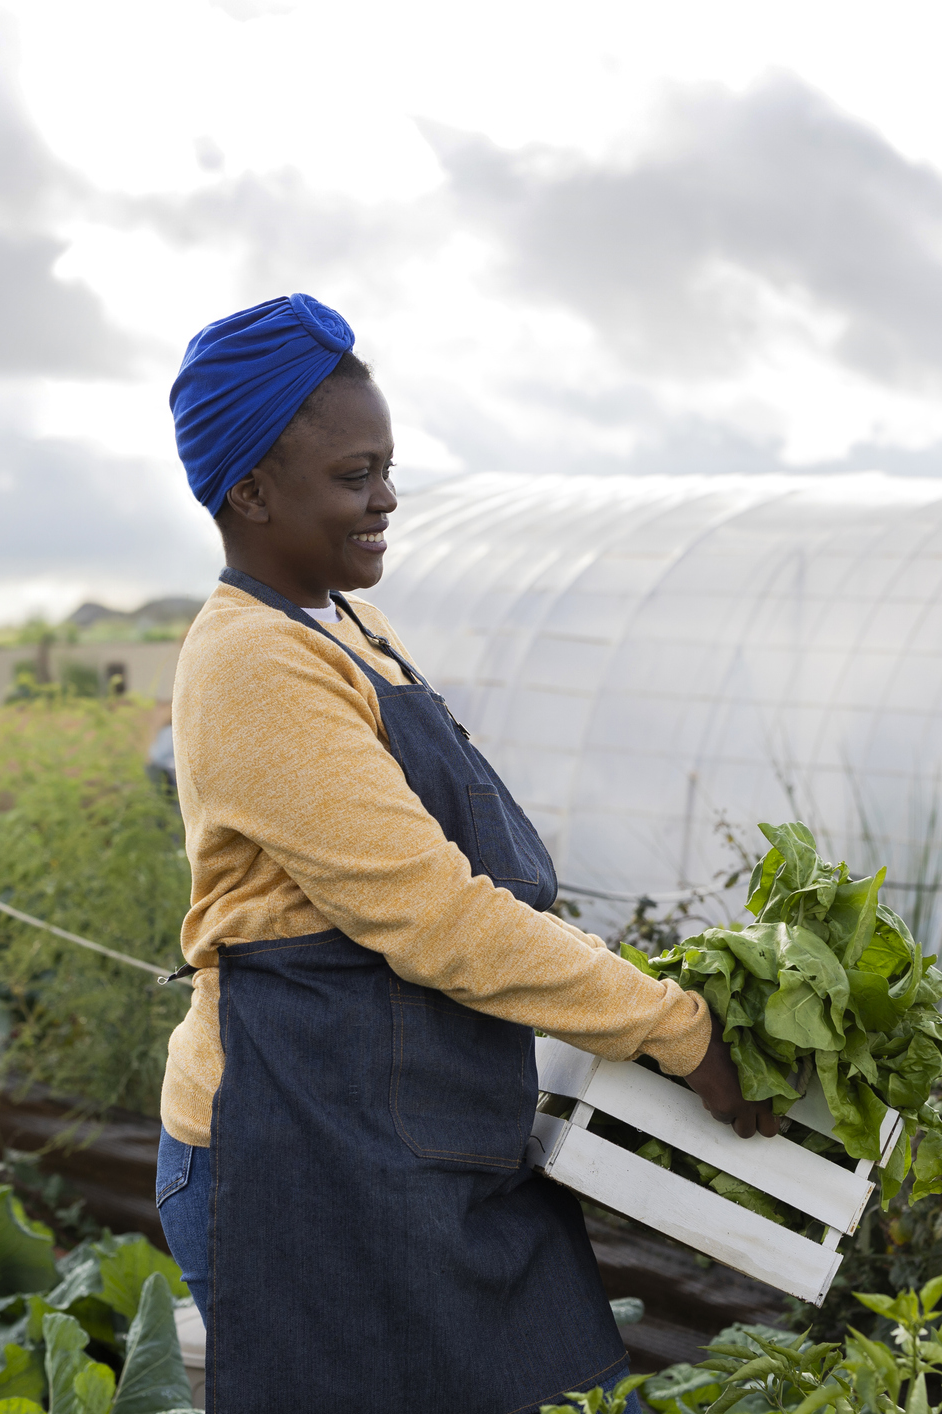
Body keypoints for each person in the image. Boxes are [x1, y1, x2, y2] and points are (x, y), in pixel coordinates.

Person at [153, 294, 778, 1413]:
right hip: (295, 1160)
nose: (387, 498)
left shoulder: (339, 621)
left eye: (387, 467)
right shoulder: (252, 661)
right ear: (251, 492)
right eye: (355, 476)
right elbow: (437, 915)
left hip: (409, 1136)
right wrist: (676, 1027)